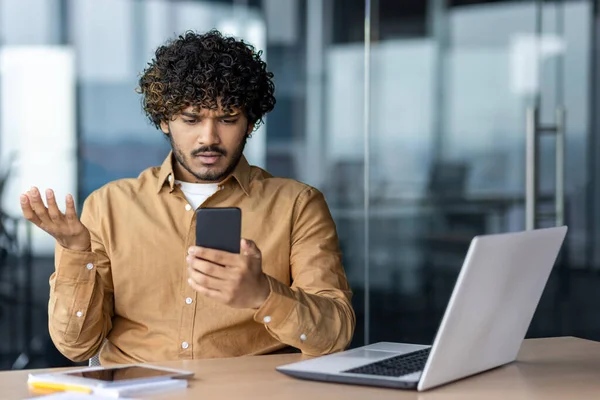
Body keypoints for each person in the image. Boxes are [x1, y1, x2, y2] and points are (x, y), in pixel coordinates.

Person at [19, 30, 355, 365]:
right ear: (164, 120)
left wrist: (263, 295)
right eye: (191, 119)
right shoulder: (108, 207)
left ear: (250, 123)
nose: (209, 137)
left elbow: (334, 335)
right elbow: (76, 346)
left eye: (228, 119)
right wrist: (77, 254)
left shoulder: (298, 205)